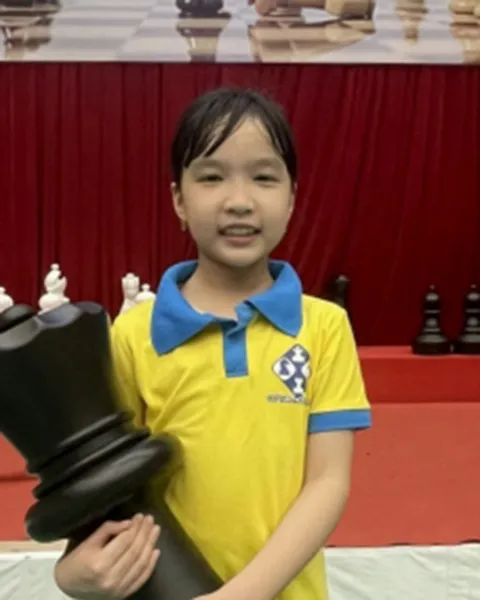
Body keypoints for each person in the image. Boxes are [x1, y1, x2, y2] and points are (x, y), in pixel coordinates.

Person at [54, 86, 371, 600]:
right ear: (178, 199)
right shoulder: (132, 335)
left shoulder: (324, 328)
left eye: (263, 177)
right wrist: (72, 573)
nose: (239, 201)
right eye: (211, 177)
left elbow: (327, 483)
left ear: (292, 198)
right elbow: (109, 491)